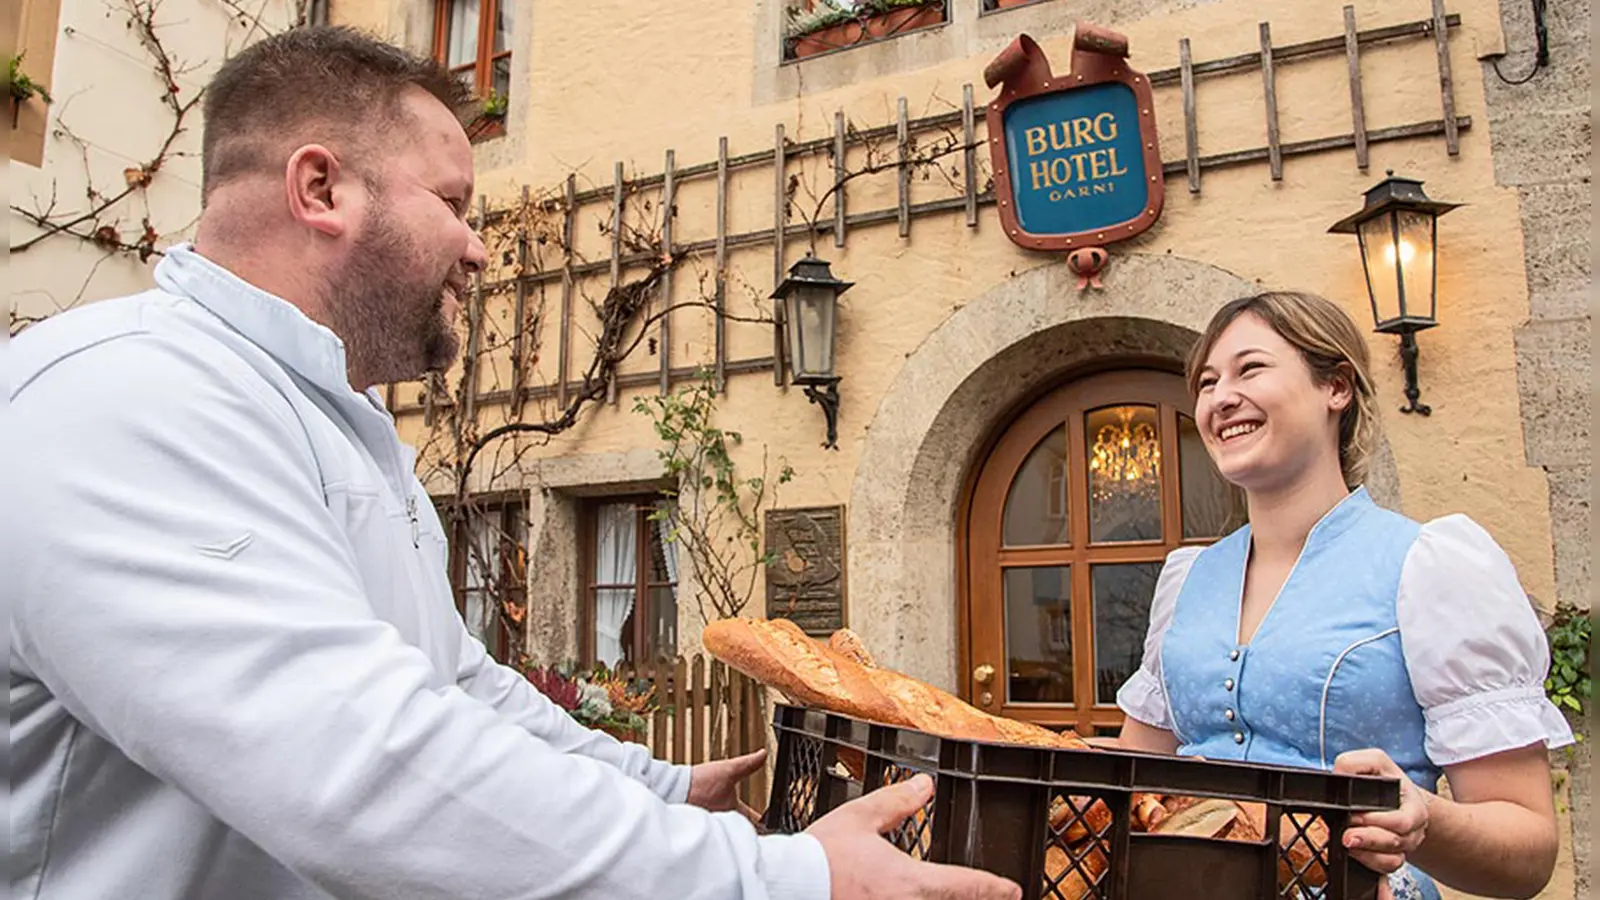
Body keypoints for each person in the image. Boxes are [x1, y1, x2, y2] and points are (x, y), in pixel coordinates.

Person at [2, 26, 1021, 900]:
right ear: (320, 188)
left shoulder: (336, 426)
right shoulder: (127, 398)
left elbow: (456, 688)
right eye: (452, 200)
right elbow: (363, 766)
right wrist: (779, 878)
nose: (481, 248)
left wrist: (656, 786)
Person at [1113, 291, 1575, 900]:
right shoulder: (1189, 579)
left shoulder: (1430, 567)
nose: (1221, 397)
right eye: (1206, 382)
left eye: (1250, 369)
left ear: (1337, 387)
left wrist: (1424, 821)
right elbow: (1131, 786)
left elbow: (1528, 853)